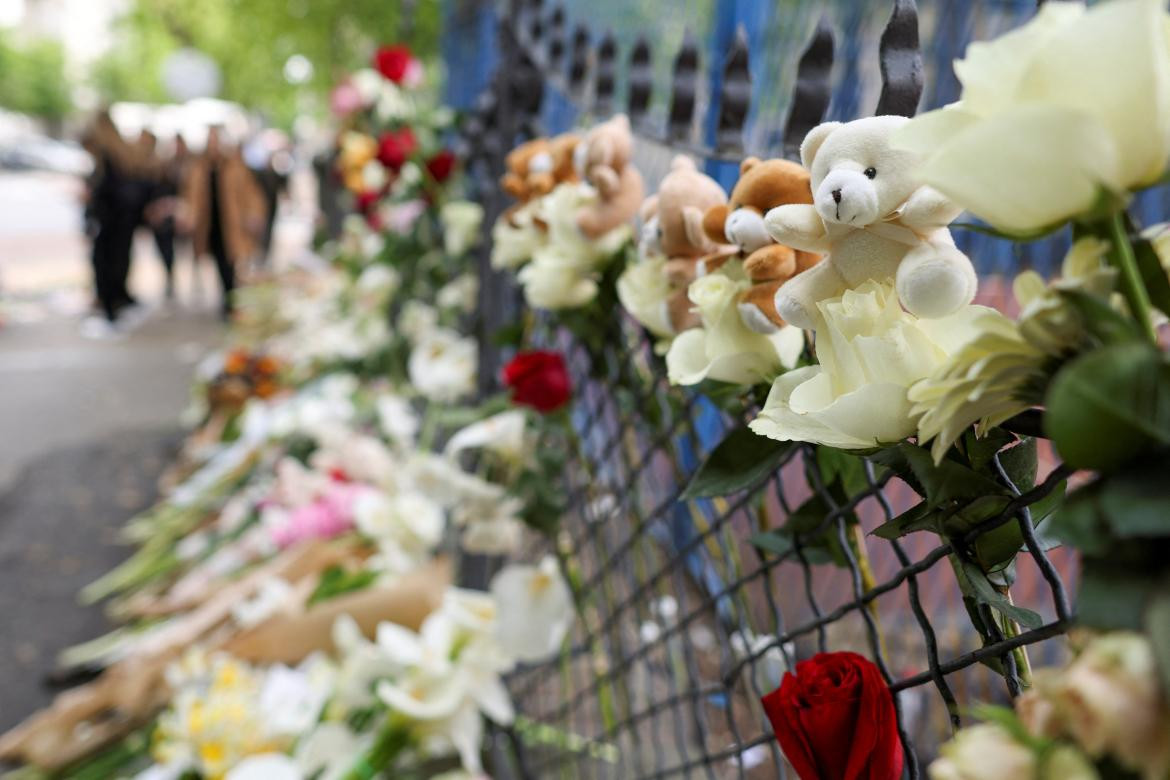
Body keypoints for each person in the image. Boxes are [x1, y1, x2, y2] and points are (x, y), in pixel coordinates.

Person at [181, 127, 266, 318]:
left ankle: (231, 301)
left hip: (231, 223)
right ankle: (229, 299)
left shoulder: (235, 167)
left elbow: (251, 193)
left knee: (230, 262)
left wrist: (253, 214)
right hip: (210, 223)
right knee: (220, 261)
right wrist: (189, 216)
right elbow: (191, 197)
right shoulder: (199, 168)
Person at [79, 111, 145, 337]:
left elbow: (106, 189)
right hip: (122, 219)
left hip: (109, 219)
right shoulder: (120, 149)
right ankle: (117, 301)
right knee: (119, 259)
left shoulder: (106, 152)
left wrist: (91, 200)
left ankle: (110, 307)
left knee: (104, 262)